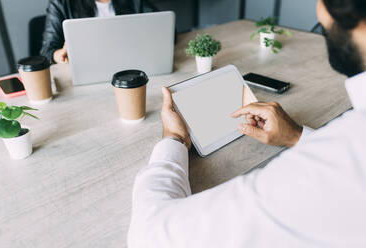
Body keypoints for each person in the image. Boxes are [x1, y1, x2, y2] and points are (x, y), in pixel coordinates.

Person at [128, 0, 366, 247]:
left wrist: (174, 139)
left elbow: (150, 234)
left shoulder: (336, 164)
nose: (319, 7)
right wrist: (297, 136)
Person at [40, 0, 157, 64]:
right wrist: (59, 54)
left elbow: (164, 29)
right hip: (86, 69)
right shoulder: (61, 3)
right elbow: (47, 50)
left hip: (130, 64)